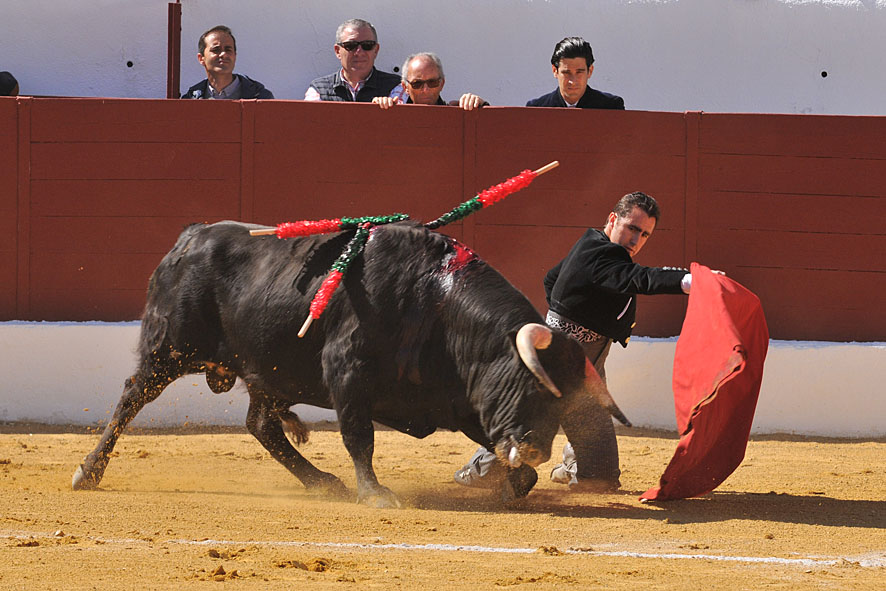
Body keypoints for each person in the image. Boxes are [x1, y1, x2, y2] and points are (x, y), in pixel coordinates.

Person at [456, 192, 708, 493]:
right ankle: (479, 473)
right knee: (530, 421)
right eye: (632, 228)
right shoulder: (602, 254)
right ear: (613, 220)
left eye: (644, 234)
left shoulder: (592, 246)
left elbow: (552, 278)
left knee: (598, 474)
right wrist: (690, 281)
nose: (636, 239)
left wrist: (563, 312)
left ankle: (575, 469)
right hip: (560, 357)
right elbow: (639, 278)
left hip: (587, 358)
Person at [305, 18, 400, 102]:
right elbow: (309, 119)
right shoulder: (319, 89)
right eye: (351, 45)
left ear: (376, 50)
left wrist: (388, 109)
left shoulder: (395, 86)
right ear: (338, 51)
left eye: (367, 45)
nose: (359, 52)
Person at [526, 37, 624, 109]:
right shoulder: (537, 108)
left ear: (590, 71)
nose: (573, 81)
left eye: (579, 72)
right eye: (566, 72)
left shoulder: (611, 106)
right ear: (555, 71)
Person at [182, 25, 274, 100]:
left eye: (228, 50)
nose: (223, 54)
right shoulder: (190, 99)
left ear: (235, 56)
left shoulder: (260, 97)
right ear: (201, 58)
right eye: (216, 50)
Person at [371, 52, 487, 110]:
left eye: (432, 83)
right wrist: (377, 111)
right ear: (405, 87)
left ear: (442, 84)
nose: (425, 90)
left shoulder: (457, 113)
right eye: (417, 84)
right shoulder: (393, 114)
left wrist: (481, 107)